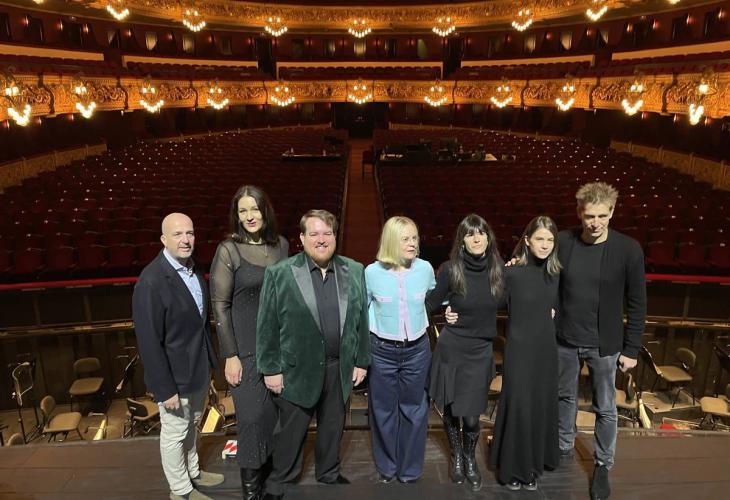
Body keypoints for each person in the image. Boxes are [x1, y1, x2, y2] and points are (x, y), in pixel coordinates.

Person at [256, 209, 370, 499]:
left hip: (339, 367)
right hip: (296, 370)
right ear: (302, 238)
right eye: (315, 233)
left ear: (335, 237)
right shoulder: (280, 273)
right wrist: (270, 368)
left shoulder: (354, 270)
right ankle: (279, 482)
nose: (321, 239)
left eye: (327, 233)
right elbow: (267, 324)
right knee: (290, 433)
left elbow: (361, 319)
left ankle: (328, 473)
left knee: (332, 427)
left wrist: (361, 360)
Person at [556, 182, 646, 500]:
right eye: (589, 216)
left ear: (612, 212)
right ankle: (563, 448)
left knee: (605, 407)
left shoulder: (628, 249)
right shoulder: (563, 241)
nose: (596, 223)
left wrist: (631, 348)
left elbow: (637, 301)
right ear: (579, 213)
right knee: (564, 398)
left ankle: (603, 465)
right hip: (565, 339)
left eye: (602, 216)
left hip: (604, 345)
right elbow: (541, 271)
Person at [132, 213, 224, 500]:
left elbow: (199, 326)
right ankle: (180, 490)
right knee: (174, 433)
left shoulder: (195, 269)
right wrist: (165, 388)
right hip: (174, 379)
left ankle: (193, 472)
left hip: (197, 370)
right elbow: (148, 342)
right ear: (163, 239)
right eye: (177, 234)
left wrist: (209, 366)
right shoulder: (150, 281)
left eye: (190, 233)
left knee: (192, 426)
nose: (186, 240)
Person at [210, 186, 289, 500]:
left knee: (273, 419)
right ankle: (251, 493)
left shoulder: (281, 246)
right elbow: (220, 306)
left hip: (277, 348)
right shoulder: (228, 250)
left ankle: (269, 486)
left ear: (264, 210)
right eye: (243, 211)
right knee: (252, 420)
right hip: (244, 351)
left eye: (254, 209)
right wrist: (230, 354)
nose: (249, 216)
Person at [425, 214, 504, 492]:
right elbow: (430, 304)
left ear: (488, 237)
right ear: (462, 240)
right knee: (451, 409)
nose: (476, 238)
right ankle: (457, 456)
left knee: (471, 415)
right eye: (470, 234)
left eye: (481, 232)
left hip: (480, 350)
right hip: (453, 347)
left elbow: (515, 298)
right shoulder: (451, 269)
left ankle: (470, 458)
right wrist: (443, 312)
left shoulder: (498, 270)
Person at [489, 215, 561, 491]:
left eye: (550, 240)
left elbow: (558, 307)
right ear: (527, 240)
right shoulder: (512, 273)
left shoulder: (555, 274)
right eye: (540, 239)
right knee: (519, 404)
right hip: (519, 350)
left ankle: (531, 465)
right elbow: (490, 303)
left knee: (538, 405)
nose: (545, 244)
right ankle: (512, 468)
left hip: (546, 350)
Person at [365, 216, 436, 484]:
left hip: (417, 350)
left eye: (415, 238)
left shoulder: (425, 269)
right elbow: (361, 311)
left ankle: (410, 470)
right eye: (406, 238)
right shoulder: (371, 273)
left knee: (415, 411)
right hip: (381, 350)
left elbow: (436, 296)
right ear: (391, 241)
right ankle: (387, 467)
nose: (413, 243)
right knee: (383, 411)